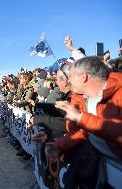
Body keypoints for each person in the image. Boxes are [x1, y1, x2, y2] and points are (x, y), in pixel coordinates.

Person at [46, 56, 122, 188]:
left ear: (83, 77)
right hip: (98, 170)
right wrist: (59, 146)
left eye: (71, 76)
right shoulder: (79, 98)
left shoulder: (119, 93)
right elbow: (83, 133)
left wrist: (81, 118)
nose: (68, 81)